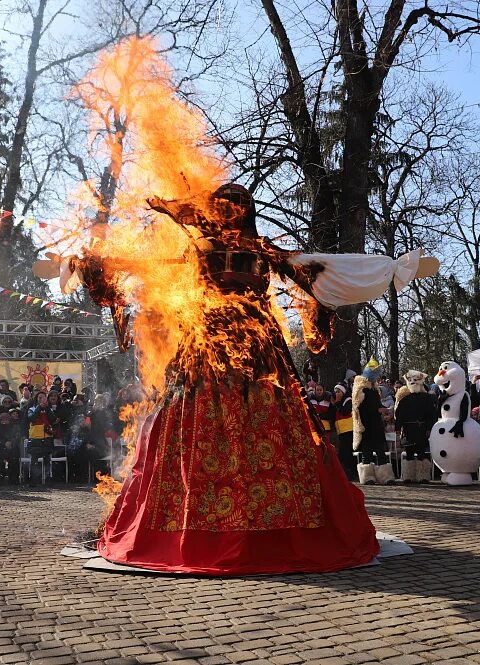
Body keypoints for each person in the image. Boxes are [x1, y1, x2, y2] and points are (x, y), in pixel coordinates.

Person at [53, 183, 437, 574]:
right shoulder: (206, 247)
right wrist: (84, 264)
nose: (231, 211)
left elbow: (319, 266)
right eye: (225, 205)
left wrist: (390, 269)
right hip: (207, 346)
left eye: (237, 205)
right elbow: (144, 266)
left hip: (254, 350)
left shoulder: (258, 249)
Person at [332, 384, 356, 481]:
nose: (337, 394)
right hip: (341, 430)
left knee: (346, 452)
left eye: (339, 392)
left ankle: (350, 473)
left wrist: (337, 403)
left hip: (348, 429)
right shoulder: (336, 401)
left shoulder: (348, 400)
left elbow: (345, 411)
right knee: (343, 453)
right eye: (336, 392)